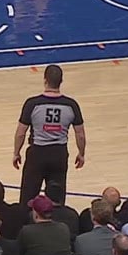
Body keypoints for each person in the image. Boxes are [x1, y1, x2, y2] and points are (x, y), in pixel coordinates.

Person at [13, 64, 86, 206]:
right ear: (61, 81)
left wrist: (16, 152)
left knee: (28, 196)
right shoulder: (71, 105)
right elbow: (80, 134)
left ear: (45, 80)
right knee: (56, 197)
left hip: (37, 153)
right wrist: (81, 153)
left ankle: (27, 218)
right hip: (59, 154)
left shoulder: (32, 104)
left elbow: (21, 133)